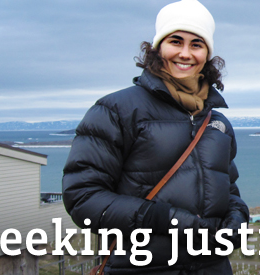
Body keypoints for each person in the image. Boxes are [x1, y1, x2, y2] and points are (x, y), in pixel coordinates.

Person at [62, 0, 249, 273]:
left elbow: (229, 190)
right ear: (157, 48)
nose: (185, 53)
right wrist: (166, 219)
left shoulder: (217, 123)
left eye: (196, 44)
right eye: (176, 41)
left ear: (207, 55)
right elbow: (82, 198)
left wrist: (237, 219)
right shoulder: (116, 109)